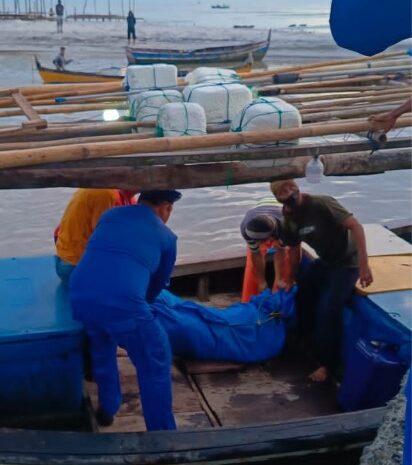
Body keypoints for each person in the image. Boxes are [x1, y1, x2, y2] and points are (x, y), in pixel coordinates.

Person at [69, 189, 181, 430]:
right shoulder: (167, 238)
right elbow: (155, 288)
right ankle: (163, 435)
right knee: (155, 359)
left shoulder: (110, 216)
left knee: (102, 348)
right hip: (123, 302)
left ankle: (108, 409)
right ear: (165, 208)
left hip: (80, 293)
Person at [270, 179, 373, 382]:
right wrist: (289, 278)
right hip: (326, 261)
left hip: (347, 263)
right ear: (278, 198)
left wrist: (364, 265)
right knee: (303, 291)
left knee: (329, 309)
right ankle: (303, 338)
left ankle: (329, 365)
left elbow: (356, 226)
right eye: (283, 190)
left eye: (292, 186)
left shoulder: (321, 204)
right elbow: (294, 248)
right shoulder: (288, 219)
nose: (290, 191)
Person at [54, 188, 138, 284]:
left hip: (71, 261)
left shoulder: (125, 197)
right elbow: (103, 240)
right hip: (73, 267)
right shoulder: (105, 194)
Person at [240, 197, 292, 303]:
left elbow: (280, 252)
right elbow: (256, 253)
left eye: (262, 241)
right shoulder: (246, 228)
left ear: (270, 237)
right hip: (260, 214)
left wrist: (279, 279)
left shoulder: (285, 227)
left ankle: (279, 298)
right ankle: (249, 301)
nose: (260, 244)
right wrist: (261, 282)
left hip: (280, 214)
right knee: (252, 261)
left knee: (287, 257)